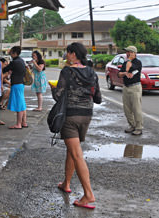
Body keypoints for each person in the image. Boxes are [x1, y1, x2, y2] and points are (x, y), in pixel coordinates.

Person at [50, 42, 101, 210]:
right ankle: (66, 183)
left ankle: (88, 194)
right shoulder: (92, 72)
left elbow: (59, 95)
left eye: (68, 53)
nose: (67, 56)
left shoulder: (67, 71)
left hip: (70, 116)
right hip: (86, 116)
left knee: (77, 154)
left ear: (73, 54)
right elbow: (98, 97)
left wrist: (53, 88)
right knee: (72, 150)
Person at [118, 45, 143, 136]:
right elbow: (119, 74)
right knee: (127, 109)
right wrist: (124, 73)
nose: (127, 53)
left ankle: (139, 127)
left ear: (134, 53)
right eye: (127, 52)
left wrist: (129, 61)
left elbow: (128, 68)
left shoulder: (137, 62)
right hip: (126, 87)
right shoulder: (125, 62)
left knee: (136, 108)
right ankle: (132, 125)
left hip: (135, 87)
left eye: (129, 52)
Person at [2, 46, 27, 129]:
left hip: (16, 84)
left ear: (15, 53)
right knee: (22, 103)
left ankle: (18, 124)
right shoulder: (21, 61)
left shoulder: (14, 62)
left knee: (19, 105)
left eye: (11, 52)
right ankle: (23, 122)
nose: (10, 54)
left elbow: (4, 70)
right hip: (21, 84)